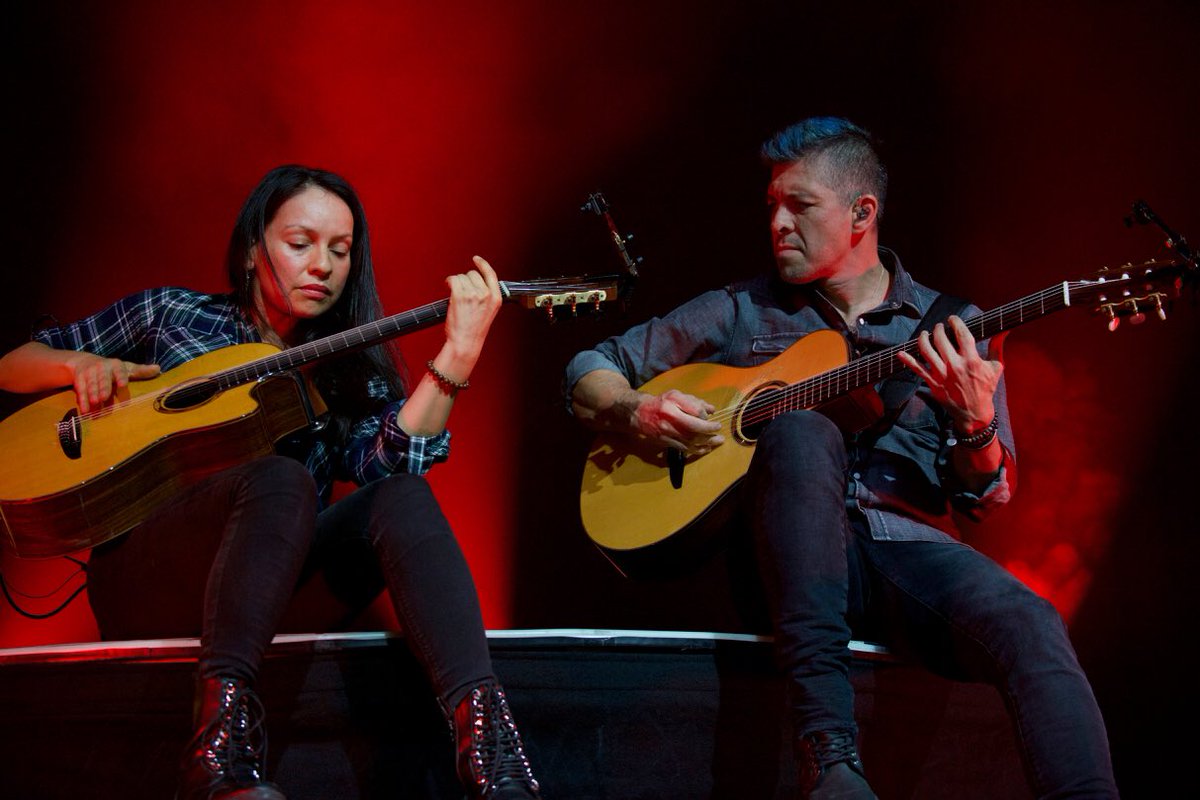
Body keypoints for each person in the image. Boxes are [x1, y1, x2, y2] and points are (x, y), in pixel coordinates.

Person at [565, 118, 1119, 798]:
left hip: (905, 553)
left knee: (1032, 623)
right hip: (784, 555)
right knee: (801, 432)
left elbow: (988, 493)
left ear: (862, 214)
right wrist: (633, 411)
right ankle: (828, 761)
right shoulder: (742, 311)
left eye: (799, 206)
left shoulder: (952, 324)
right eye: (771, 205)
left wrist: (974, 423)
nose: (776, 224)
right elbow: (592, 365)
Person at [0, 165, 542, 800]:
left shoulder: (343, 368)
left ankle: (492, 748)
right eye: (300, 243)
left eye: (341, 251)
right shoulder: (173, 313)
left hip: (269, 593)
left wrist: (459, 354)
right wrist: (81, 365)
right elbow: (13, 363)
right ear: (255, 247)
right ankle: (217, 751)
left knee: (401, 496)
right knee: (280, 480)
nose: (323, 266)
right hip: (148, 578)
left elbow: (391, 462)